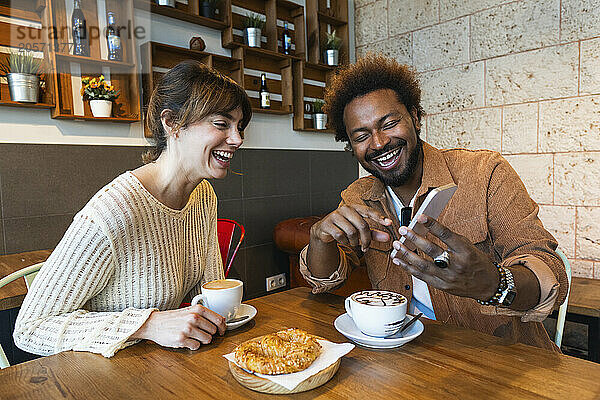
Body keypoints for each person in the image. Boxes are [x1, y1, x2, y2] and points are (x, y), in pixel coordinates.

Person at [300, 54, 568, 351]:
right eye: (361, 136)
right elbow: (324, 282)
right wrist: (318, 237)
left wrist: (492, 283)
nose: (377, 143)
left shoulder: (485, 172)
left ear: (415, 117)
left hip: (502, 360)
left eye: (388, 124)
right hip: (407, 358)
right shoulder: (358, 196)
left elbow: (551, 273)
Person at [14, 60, 252, 357]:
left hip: (157, 367)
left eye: (239, 127)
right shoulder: (114, 209)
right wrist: (147, 324)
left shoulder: (203, 195)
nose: (237, 139)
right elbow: (29, 328)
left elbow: (209, 292)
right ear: (172, 123)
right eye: (222, 124)